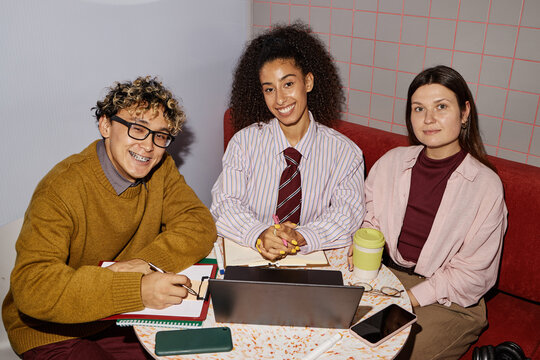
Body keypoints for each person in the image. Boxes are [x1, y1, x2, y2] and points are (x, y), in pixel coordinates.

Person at [2, 76, 216, 359]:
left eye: (161, 135)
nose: (149, 146)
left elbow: (198, 223)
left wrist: (146, 266)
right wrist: (135, 288)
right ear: (105, 125)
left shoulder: (161, 169)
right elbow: (33, 286)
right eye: (138, 128)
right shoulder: (61, 187)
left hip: (117, 316)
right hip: (50, 331)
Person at [348, 65, 507, 359]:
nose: (429, 119)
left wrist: (406, 298)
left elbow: (473, 276)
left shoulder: (485, 186)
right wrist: (360, 245)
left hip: (452, 301)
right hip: (388, 278)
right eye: (418, 108)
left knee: (381, 352)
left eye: (441, 107)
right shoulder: (392, 162)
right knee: (334, 334)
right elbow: (369, 220)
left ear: (465, 112)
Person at [211, 23, 365, 262]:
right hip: (250, 254)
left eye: (289, 84)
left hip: (312, 260)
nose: (280, 99)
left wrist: (300, 236)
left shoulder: (345, 153)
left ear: (309, 82)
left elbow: (348, 214)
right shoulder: (244, 143)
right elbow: (224, 204)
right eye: (269, 89)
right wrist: (260, 233)